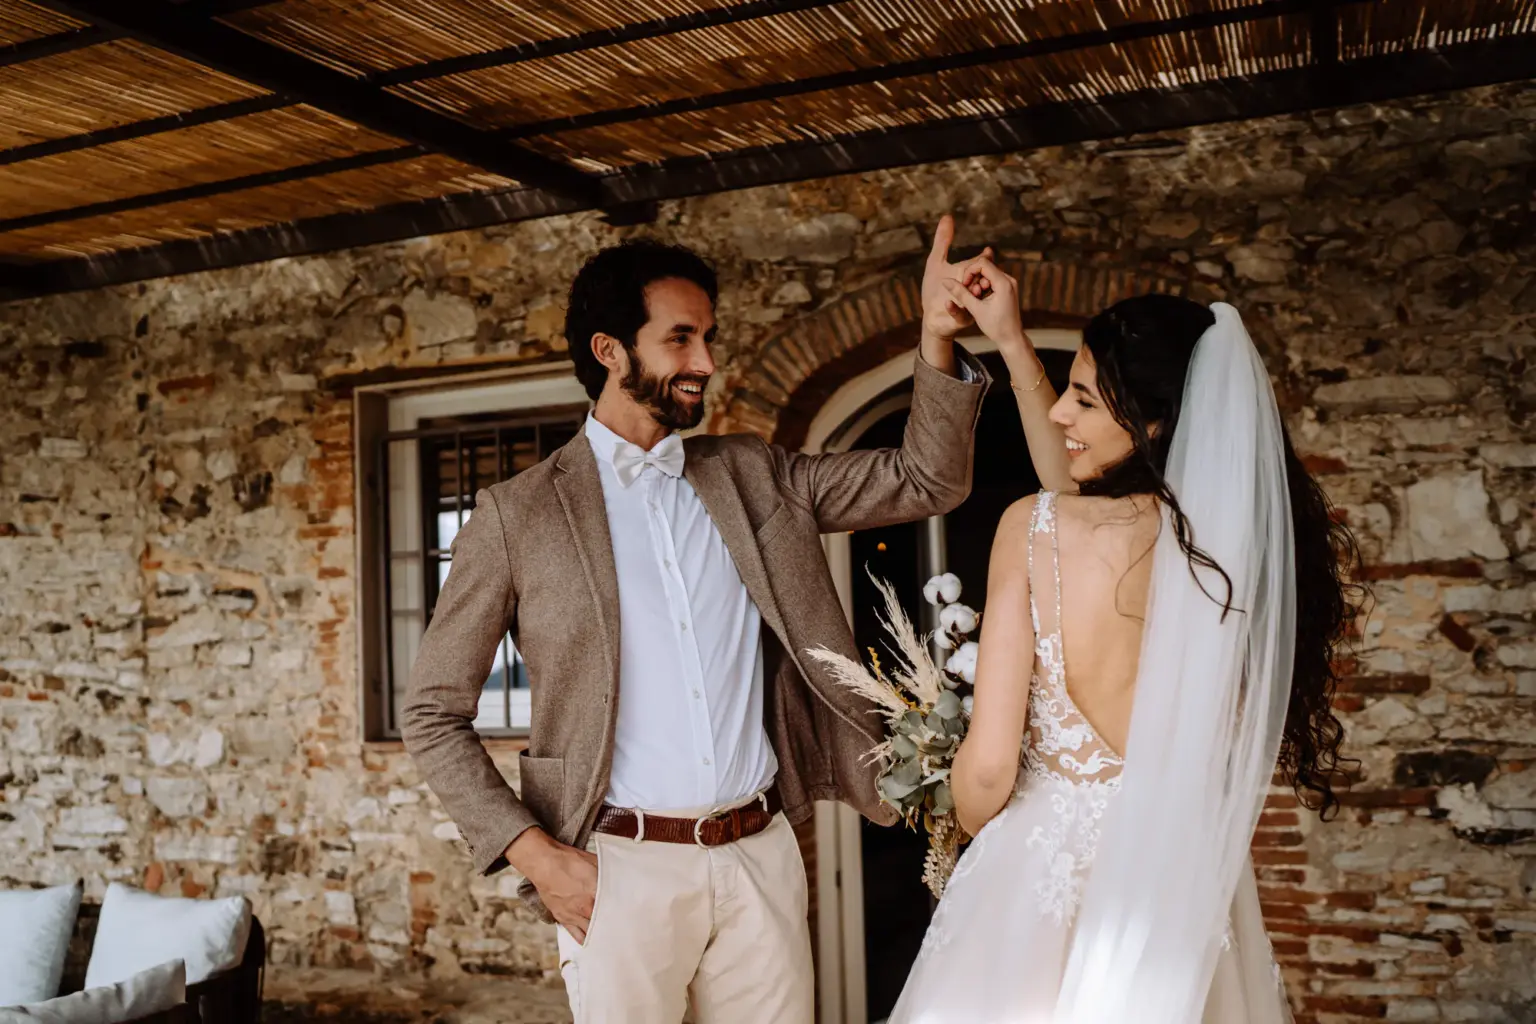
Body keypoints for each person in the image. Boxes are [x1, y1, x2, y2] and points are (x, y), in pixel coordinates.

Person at [402, 223, 990, 1024]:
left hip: (760, 858)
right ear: (610, 351)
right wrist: (535, 856)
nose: (706, 361)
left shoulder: (754, 475)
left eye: (708, 337)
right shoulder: (518, 515)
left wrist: (935, 336)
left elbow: (928, 477)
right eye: (680, 339)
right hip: (614, 872)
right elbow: (431, 712)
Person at [889, 262, 1361, 1023]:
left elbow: (987, 770)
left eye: (1080, 397)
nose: (1063, 418)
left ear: (1150, 421)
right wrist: (1010, 339)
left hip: (1034, 880)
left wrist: (972, 821)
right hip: (1176, 885)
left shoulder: (1035, 529)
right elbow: (1073, 476)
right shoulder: (1235, 549)